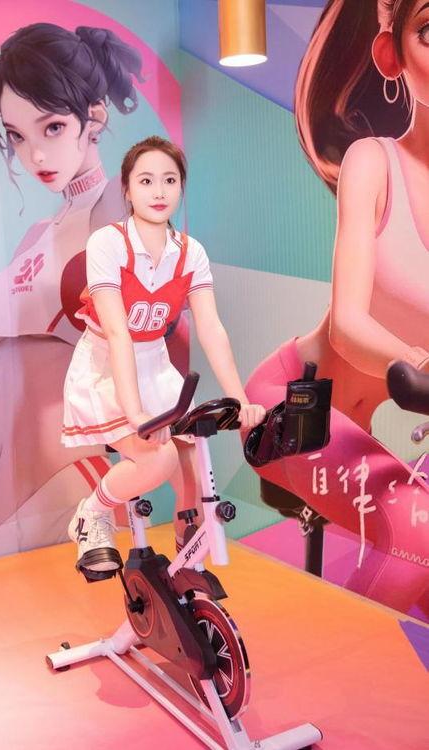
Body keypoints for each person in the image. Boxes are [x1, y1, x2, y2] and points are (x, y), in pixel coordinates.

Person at [0, 23, 187, 555]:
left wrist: (188, 499)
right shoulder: (35, 241)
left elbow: (165, 350)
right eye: (17, 136)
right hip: (3, 510)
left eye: (51, 127)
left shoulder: (118, 213)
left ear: (95, 117)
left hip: (73, 492)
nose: (36, 156)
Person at [245, 0, 429, 617]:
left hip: (369, 430)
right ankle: (348, 673)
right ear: (391, 55)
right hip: (294, 406)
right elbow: (348, 327)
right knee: (416, 535)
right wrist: (418, 364)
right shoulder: (373, 162)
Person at [62, 135, 265, 576]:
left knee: (193, 473)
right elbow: (117, 331)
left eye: (169, 180)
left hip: (155, 365)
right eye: (146, 180)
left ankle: (183, 569)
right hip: (107, 367)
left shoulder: (191, 253)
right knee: (159, 458)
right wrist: (135, 411)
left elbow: (211, 327)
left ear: (181, 187)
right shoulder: (108, 243)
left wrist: (240, 398)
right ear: (127, 189)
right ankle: (91, 513)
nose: (159, 191)